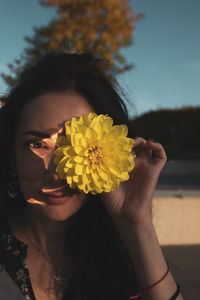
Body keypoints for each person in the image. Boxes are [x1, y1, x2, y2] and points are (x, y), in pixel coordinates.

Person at [0, 52, 183, 300]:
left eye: (78, 147)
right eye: (38, 144)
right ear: (11, 154)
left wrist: (137, 224)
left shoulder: (118, 255)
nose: (59, 172)